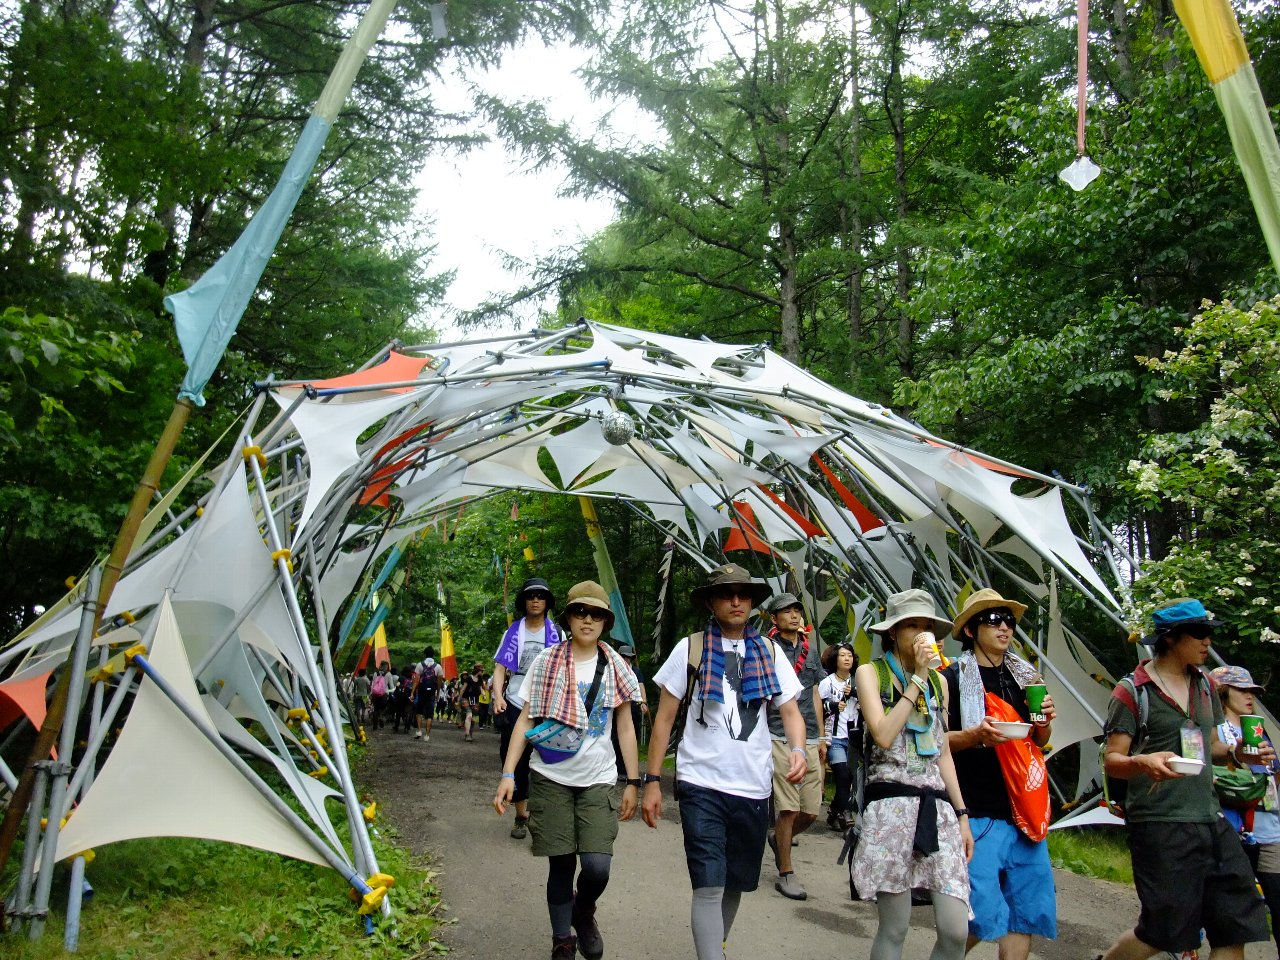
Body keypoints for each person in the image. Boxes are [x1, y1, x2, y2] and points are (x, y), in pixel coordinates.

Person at [641, 562, 807, 960]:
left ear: (751, 603)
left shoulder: (767, 651)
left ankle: (717, 945)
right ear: (712, 602)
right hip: (701, 783)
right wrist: (650, 781)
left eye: (744, 595)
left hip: (752, 784)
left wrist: (798, 749)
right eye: (727, 594)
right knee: (709, 883)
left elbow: (791, 712)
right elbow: (663, 719)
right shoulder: (691, 648)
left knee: (735, 883)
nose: (736, 601)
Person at [1099, 598, 1273, 960]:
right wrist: (1144, 762)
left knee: (1234, 927)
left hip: (1211, 819)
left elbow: (1211, 747)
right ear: (1171, 638)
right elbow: (1113, 760)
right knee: (1163, 932)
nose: (1208, 641)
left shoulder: (1206, 686)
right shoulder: (1132, 691)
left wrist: (1242, 754)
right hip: (1160, 825)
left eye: (1209, 633)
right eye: (1199, 633)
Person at [493, 581, 642, 960]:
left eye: (595, 614)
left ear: (606, 621)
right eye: (580, 612)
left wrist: (634, 781)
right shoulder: (547, 661)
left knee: (597, 867)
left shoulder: (616, 667)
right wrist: (509, 773)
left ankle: (583, 911)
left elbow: (625, 727)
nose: (587, 620)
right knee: (560, 864)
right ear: (569, 617)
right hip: (551, 777)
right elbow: (525, 720)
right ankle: (562, 939)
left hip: (598, 779)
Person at [852, 588, 973, 960]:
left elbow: (944, 752)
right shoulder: (870, 673)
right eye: (913, 627)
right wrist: (917, 679)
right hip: (890, 806)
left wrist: (962, 813)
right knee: (896, 926)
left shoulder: (941, 683)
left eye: (929, 628)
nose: (924, 636)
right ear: (893, 632)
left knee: (956, 930)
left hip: (937, 809)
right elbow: (884, 735)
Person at [942, 588, 1057, 960]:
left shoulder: (1025, 676)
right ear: (971, 631)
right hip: (978, 808)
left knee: (1024, 915)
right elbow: (936, 742)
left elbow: (1038, 739)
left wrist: (1045, 721)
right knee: (978, 916)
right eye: (993, 620)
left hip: (1025, 809)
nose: (1005, 627)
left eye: (1008, 620)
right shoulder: (952, 679)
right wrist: (975, 735)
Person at [1209, 664, 1279, 960]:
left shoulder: (1259, 729)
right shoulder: (1213, 732)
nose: (1250, 696)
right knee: (1233, 910)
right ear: (1223, 692)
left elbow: (1272, 774)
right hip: (1232, 828)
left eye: (1252, 691)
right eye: (1242, 689)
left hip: (1270, 826)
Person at [763, 591, 827, 901]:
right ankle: (786, 873)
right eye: (786, 611)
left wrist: (823, 735)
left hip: (811, 737)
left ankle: (779, 838)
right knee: (787, 808)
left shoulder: (810, 652)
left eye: (797, 610)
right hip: (777, 733)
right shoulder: (766, 650)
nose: (794, 615)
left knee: (811, 811)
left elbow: (813, 693)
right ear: (774, 618)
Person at [492, 577, 562, 839]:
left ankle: (543, 815)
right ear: (524, 601)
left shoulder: (557, 633)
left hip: (547, 705)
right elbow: (500, 668)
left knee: (547, 759)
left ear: (547, 602)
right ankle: (521, 813)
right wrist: (498, 696)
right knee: (515, 759)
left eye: (540, 596)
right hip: (515, 702)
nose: (535, 600)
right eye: (531, 596)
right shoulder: (513, 632)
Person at [819, 640, 860, 830]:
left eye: (850, 655)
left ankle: (835, 811)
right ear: (835, 659)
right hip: (834, 738)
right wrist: (832, 706)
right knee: (842, 775)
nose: (847, 659)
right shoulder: (827, 682)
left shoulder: (859, 680)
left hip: (853, 738)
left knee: (850, 777)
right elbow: (817, 707)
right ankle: (843, 814)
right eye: (843, 655)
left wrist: (856, 694)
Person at [412, 648, 443, 742]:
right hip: (431, 693)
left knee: (419, 712)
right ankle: (427, 736)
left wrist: (412, 692)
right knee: (429, 715)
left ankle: (419, 731)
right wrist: (437, 694)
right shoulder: (438, 666)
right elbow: (439, 683)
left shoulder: (419, 665)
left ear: (425, 654)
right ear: (433, 655)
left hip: (421, 692)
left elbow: (416, 680)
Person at [460, 661, 483, 741]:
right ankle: (467, 735)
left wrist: (483, 694)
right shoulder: (469, 678)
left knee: (472, 719)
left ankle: (470, 733)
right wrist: (459, 698)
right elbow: (463, 688)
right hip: (466, 699)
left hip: (475, 701)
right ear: (477, 671)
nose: (482, 672)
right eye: (481, 670)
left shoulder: (480, 680)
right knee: (469, 716)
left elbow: (481, 689)